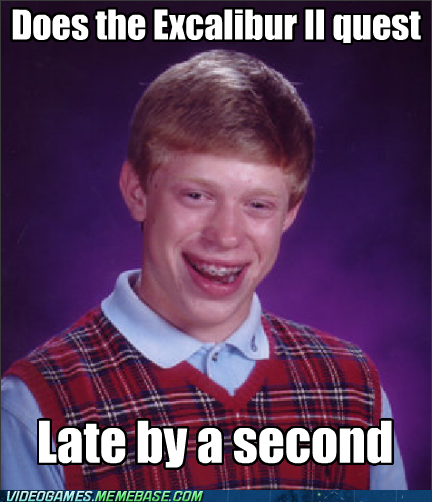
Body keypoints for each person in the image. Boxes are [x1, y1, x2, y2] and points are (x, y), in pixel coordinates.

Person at [1, 50, 407, 490]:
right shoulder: (36, 408)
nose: (226, 236)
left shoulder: (352, 389)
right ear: (137, 192)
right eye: (196, 196)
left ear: (289, 213)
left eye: (258, 204)